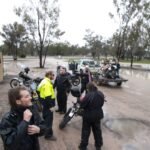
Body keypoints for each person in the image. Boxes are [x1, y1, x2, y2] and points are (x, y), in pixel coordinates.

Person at [79, 82, 105, 150]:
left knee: (85, 131)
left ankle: (83, 146)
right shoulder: (100, 93)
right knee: (97, 131)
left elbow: (82, 105)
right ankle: (98, 146)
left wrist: (81, 99)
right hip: (97, 115)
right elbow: (102, 104)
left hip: (88, 116)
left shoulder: (88, 95)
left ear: (88, 88)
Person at [37, 71, 56, 140]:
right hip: (48, 104)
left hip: (44, 103)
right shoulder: (47, 84)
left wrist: (41, 100)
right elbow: (48, 97)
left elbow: (38, 90)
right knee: (49, 120)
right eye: (53, 75)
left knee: (45, 118)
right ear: (49, 75)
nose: (54, 76)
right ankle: (48, 135)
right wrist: (51, 106)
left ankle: (44, 131)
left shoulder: (43, 81)